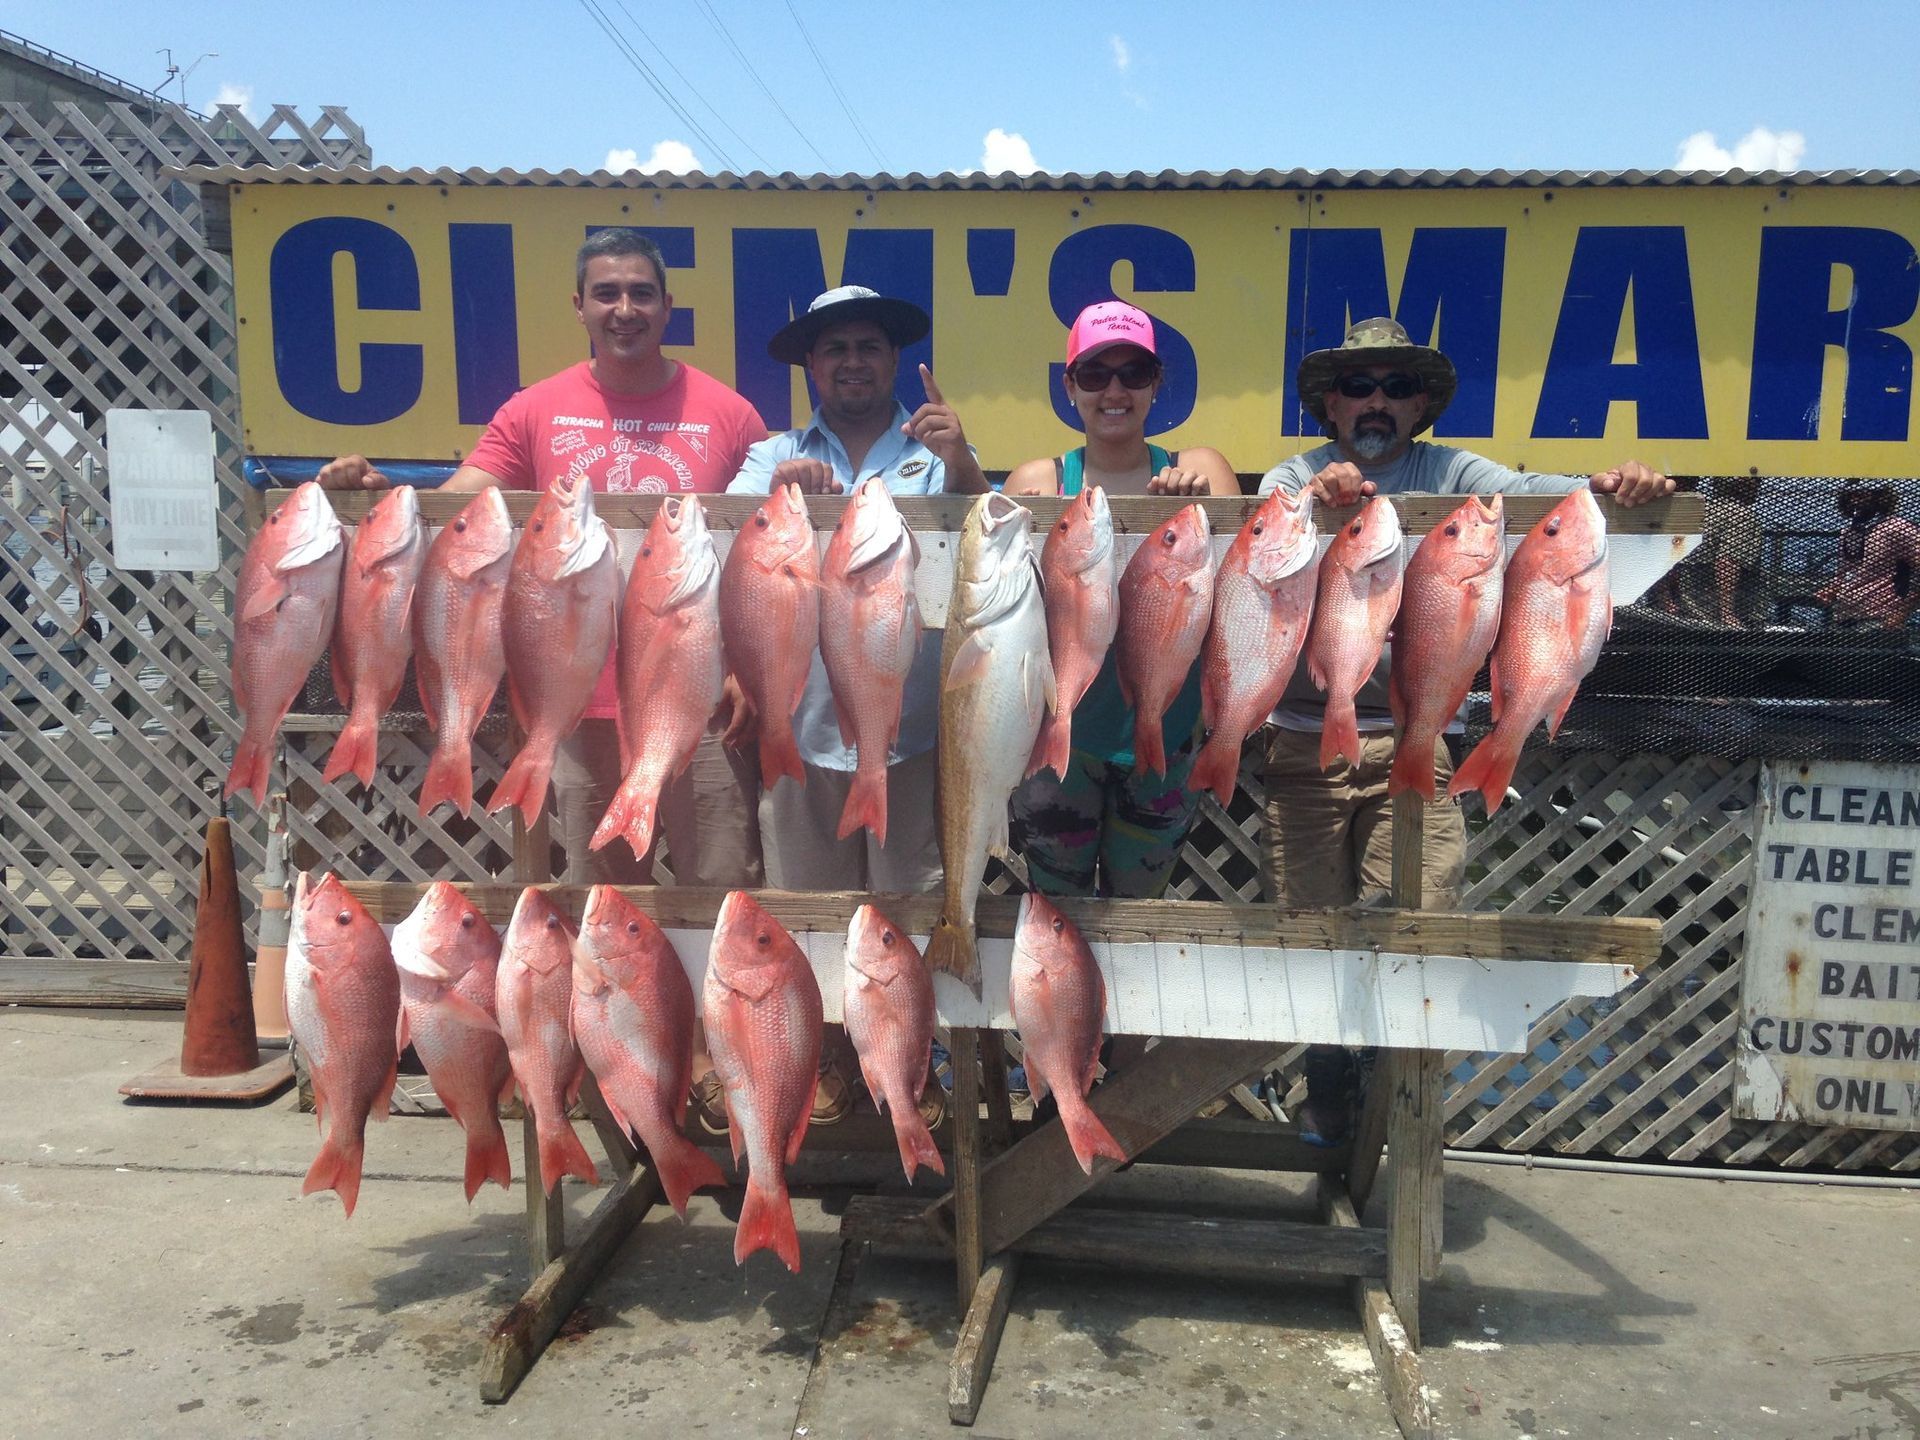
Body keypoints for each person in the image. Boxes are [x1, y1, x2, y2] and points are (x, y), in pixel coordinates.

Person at [1258, 316, 1675, 1143]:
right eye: (1359, 386)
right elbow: (1269, 537)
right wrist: (1313, 500)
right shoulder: (1296, 472)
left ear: (1420, 404)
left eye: (1397, 386)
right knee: (1308, 920)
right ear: (1330, 404)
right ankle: (1327, 1081)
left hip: (1414, 730)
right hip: (1304, 735)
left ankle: (1393, 1092)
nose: (1377, 402)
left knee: (1422, 909)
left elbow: (1549, 494)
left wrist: (1616, 481)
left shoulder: (1457, 474)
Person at [316, 227, 768, 894]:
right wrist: (380, 497)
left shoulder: (728, 415)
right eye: (606, 293)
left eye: (642, 294)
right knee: (603, 905)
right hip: (576, 702)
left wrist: (752, 672)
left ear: (669, 307)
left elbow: (763, 555)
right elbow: (456, 510)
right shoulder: (535, 411)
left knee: (725, 892)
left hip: (698, 701)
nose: (625, 309)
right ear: (578, 306)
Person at [727, 283, 985, 1123]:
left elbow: (994, 539)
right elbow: (720, 552)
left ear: (894, 359)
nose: (851, 362)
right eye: (833, 349)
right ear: (810, 365)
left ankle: (914, 1066)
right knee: (803, 916)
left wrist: (967, 464)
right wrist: (776, 501)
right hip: (796, 739)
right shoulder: (771, 458)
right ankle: (825, 1066)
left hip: (911, 741)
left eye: (868, 346)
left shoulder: (932, 449)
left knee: (908, 912)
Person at [1003, 300, 1237, 900]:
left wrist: (1200, 507)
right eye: (1094, 374)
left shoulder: (1201, 468)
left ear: (1156, 384)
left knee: (1141, 912)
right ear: (1069, 387)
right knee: (1057, 911)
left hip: (1165, 740)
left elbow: (1241, 595)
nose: (1114, 389)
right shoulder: (1039, 483)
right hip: (1057, 743)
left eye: (1133, 373)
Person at [1650, 474, 1770, 627]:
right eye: (1756, 480)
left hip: (1680, 617)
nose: (1758, 486)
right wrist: (1727, 614)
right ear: (1743, 481)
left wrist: (1666, 602)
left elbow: (1660, 558)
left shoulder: (1693, 512)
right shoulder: (1741, 516)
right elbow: (1727, 563)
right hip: (1718, 622)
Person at [1819, 482, 1919, 631]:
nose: (1854, 501)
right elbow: (1846, 573)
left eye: (1861, 495)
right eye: (1850, 495)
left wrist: (1901, 612)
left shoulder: (1898, 529)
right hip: (1845, 619)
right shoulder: (1850, 532)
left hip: (1881, 621)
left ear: (1879, 496)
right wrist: (1831, 589)